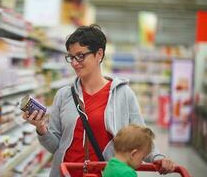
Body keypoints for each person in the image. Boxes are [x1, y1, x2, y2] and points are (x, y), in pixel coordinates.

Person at [22, 24, 175, 177]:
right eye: (71, 57)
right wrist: (41, 128)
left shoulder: (122, 94)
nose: (74, 63)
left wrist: (158, 158)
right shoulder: (63, 95)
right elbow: (56, 146)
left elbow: (141, 137)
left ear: (99, 54)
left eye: (80, 56)